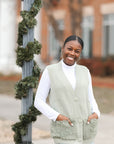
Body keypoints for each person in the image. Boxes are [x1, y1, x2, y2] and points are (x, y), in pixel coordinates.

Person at [34, 35, 100, 144]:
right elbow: (38, 101)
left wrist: (96, 113)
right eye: (69, 49)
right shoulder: (50, 71)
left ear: (80, 53)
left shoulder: (85, 71)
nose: (72, 53)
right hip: (65, 132)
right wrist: (57, 116)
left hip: (86, 131)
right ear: (63, 49)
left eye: (77, 51)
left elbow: (90, 98)